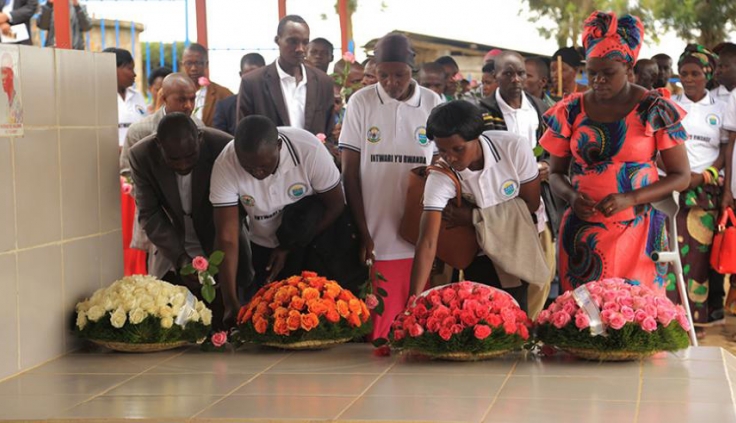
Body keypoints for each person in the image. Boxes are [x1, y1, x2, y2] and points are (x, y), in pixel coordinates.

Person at [541, 11, 691, 293]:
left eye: (608, 73)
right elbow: (556, 172)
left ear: (629, 69)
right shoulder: (571, 110)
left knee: (633, 316)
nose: (598, 80)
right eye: (592, 72)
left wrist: (631, 198)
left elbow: (681, 176)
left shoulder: (654, 109)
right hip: (581, 234)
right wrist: (572, 197)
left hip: (638, 228)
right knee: (583, 319)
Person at [340, 33, 443, 339]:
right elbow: (349, 171)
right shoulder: (361, 101)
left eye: (400, 75)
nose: (390, 82)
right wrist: (363, 230)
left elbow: (441, 167)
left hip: (417, 227)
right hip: (375, 227)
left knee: (417, 321)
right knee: (381, 325)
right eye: (383, 75)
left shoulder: (432, 102)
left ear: (414, 70)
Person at [211, 116, 344, 325]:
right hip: (263, 241)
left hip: (313, 237)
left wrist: (290, 245)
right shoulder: (226, 163)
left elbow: (336, 205)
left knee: (315, 311)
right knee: (272, 315)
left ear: (279, 146)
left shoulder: (308, 149)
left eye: (263, 166)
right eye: (248, 167)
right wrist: (230, 302)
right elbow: (227, 237)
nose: (257, 173)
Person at [409, 101, 541, 309]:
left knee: (517, 313)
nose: (450, 157)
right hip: (475, 249)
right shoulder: (442, 174)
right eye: (442, 150)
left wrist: (473, 216)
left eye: (458, 149)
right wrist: (414, 299)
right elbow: (427, 241)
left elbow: (530, 204)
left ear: (477, 137)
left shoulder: (513, 148)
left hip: (517, 242)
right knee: (480, 312)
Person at [129, 113, 250, 330]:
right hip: (173, 241)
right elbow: (150, 214)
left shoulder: (223, 146)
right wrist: (181, 259)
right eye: (174, 159)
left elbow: (236, 212)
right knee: (173, 321)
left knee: (225, 320)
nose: (183, 164)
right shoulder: (141, 155)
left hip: (220, 236)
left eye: (190, 156)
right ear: (159, 145)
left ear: (199, 138)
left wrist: (214, 261)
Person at [477, 50, 556, 318]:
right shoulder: (481, 111)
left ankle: (530, 320)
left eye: (520, 73)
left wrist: (547, 165)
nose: (516, 79)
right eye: (508, 73)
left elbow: (554, 149)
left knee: (543, 267)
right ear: (495, 76)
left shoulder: (541, 108)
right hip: (501, 201)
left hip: (538, 199)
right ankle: (509, 321)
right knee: (509, 268)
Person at [666, 44, 728, 337]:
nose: (687, 79)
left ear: (708, 74)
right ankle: (670, 317)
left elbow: (725, 151)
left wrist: (705, 175)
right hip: (672, 190)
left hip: (704, 191)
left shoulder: (720, 108)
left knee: (698, 260)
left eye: (694, 73)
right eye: (683, 74)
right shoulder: (670, 105)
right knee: (670, 253)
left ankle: (694, 320)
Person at [236, 15, 335, 136]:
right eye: (293, 41)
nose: (300, 49)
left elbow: (329, 132)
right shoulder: (253, 82)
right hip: (270, 155)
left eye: (305, 42)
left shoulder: (323, 82)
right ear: (277, 41)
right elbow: (244, 136)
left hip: (313, 154)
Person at [121, 73, 202, 178]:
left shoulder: (200, 128)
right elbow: (127, 173)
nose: (189, 106)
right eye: (181, 100)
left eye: (192, 99)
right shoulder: (139, 131)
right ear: (164, 99)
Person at [212, 53, 265, 135]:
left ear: (264, 74)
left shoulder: (275, 104)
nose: (252, 80)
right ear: (241, 75)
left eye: (256, 75)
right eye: (248, 76)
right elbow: (219, 140)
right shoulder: (224, 107)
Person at [181, 43, 233, 127]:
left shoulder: (223, 94)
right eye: (189, 63)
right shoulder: (175, 94)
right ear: (182, 65)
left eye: (198, 63)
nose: (193, 68)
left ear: (206, 64)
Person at [105, 47, 147, 147]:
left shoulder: (137, 95)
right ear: (113, 68)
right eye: (130, 68)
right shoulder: (99, 98)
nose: (134, 74)